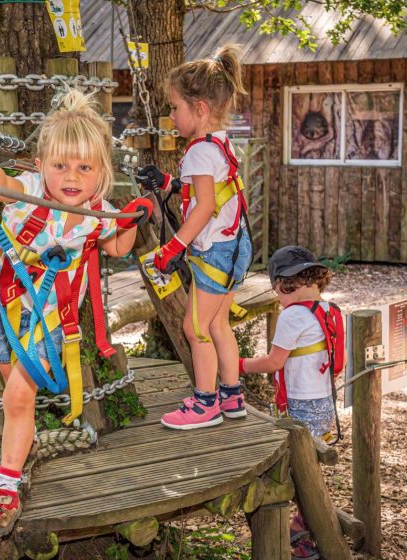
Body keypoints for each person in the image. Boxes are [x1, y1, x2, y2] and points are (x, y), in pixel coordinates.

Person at [0, 89, 151, 537]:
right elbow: (5, 184)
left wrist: (131, 220)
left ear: (101, 173)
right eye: (60, 166)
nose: (71, 177)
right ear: (41, 166)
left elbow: (116, 247)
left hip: (50, 321)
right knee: (11, 387)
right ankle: (24, 442)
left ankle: (5, 486)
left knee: (18, 395)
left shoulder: (100, 214)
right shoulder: (33, 190)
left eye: (84, 168)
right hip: (2, 309)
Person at [138, 44, 252, 429]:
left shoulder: (200, 151)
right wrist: (169, 183)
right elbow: (211, 196)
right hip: (235, 246)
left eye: (174, 107)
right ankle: (232, 395)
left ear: (199, 108)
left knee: (196, 328)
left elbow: (203, 208)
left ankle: (205, 403)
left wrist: (172, 247)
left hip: (215, 251)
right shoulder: (219, 144)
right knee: (218, 325)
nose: (170, 115)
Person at [239, 245, 341, 560]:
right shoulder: (332, 310)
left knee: (297, 473)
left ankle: (304, 536)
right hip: (325, 404)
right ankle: (306, 529)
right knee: (309, 470)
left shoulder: (293, 315)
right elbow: (342, 360)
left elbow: (272, 363)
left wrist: (237, 365)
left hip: (301, 405)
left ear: (285, 284)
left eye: (277, 293)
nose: (279, 300)